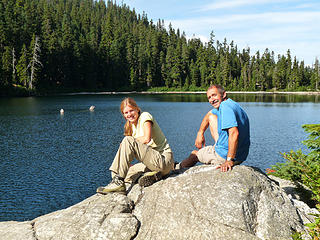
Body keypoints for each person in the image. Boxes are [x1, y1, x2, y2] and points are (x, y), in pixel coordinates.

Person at [97, 97, 174, 194]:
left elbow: (147, 138)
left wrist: (129, 142)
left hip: (164, 160)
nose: (129, 114)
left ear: (137, 109)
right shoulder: (131, 127)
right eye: (126, 113)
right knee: (128, 174)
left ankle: (119, 180)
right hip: (152, 162)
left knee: (127, 140)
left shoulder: (145, 116)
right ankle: (119, 178)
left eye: (131, 111)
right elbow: (136, 151)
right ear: (123, 115)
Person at [177, 84, 250, 172]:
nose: (212, 100)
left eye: (214, 95)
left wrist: (229, 160)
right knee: (212, 116)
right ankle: (218, 146)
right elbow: (209, 114)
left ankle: (176, 168)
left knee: (194, 154)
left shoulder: (225, 107)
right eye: (209, 97)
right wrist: (200, 133)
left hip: (225, 156)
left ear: (223, 94)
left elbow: (234, 133)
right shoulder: (232, 104)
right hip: (241, 155)